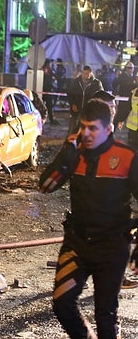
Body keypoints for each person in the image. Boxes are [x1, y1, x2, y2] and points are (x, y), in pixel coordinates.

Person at [39, 99, 138, 339]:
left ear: (108, 129)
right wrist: (65, 160)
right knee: (62, 304)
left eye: (93, 128)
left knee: (105, 316)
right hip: (77, 243)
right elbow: (45, 187)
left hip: (112, 246)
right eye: (83, 127)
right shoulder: (75, 154)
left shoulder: (127, 157)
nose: (86, 133)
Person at [65, 65, 103, 135]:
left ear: (91, 73)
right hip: (76, 111)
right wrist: (72, 104)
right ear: (81, 72)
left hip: (89, 112)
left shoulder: (97, 84)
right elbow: (69, 94)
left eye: (87, 73)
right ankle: (70, 144)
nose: (85, 75)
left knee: (87, 132)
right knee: (72, 131)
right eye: (84, 73)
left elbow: (100, 97)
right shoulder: (75, 82)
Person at [42, 58, 58, 124]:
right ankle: (50, 119)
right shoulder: (46, 69)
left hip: (46, 90)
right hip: (46, 90)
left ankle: (51, 119)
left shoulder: (47, 69)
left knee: (48, 105)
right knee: (48, 105)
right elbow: (50, 78)